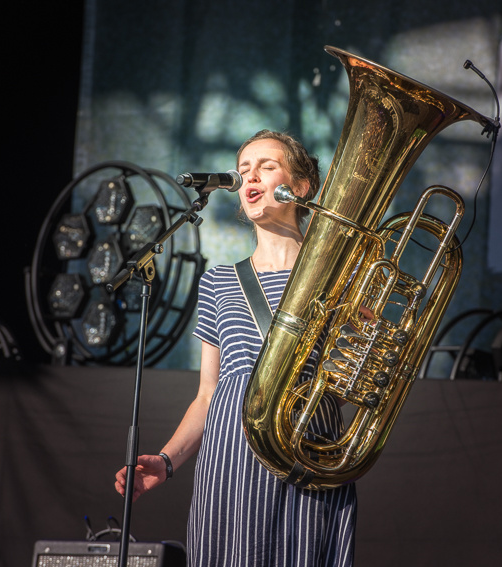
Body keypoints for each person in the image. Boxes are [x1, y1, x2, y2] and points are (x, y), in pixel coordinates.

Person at [115, 130, 357, 566]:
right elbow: (209, 393)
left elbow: (347, 381)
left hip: (302, 456)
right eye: (243, 169)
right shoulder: (219, 281)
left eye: (267, 166)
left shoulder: (339, 275)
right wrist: (167, 461)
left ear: (300, 187)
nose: (250, 176)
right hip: (229, 464)